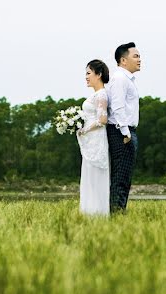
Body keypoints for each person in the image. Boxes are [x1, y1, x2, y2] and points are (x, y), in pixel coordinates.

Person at [106, 42, 141, 214]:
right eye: (135, 56)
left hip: (126, 131)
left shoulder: (126, 79)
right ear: (123, 60)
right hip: (121, 132)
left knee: (124, 176)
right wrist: (126, 133)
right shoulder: (120, 79)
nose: (139, 59)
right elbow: (118, 107)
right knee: (120, 176)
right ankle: (117, 213)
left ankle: (118, 211)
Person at [77, 60, 111, 215]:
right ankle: (88, 212)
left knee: (95, 177)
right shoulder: (96, 95)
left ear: (99, 74)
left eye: (88, 73)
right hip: (91, 140)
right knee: (89, 176)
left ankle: (97, 213)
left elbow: (102, 120)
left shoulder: (102, 94)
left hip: (96, 139)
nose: (86, 77)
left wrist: (85, 129)